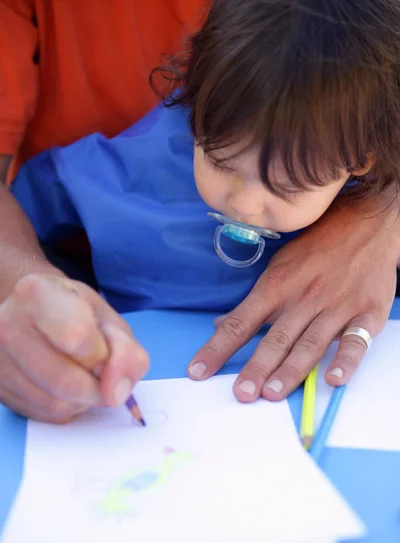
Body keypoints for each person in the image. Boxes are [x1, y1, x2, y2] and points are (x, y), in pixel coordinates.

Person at [0, 0, 399, 424]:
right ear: (193, 110)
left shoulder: (354, 158)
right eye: (221, 163)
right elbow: (34, 212)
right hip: (147, 383)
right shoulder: (127, 171)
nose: (244, 203)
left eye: (287, 186)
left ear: (361, 160)